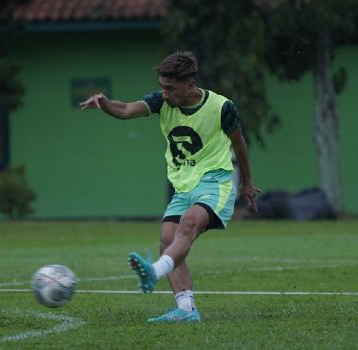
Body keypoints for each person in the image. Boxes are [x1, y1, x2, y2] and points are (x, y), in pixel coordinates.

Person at [80, 51, 260, 322]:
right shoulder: (161, 102)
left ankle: (153, 272)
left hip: (215, 182)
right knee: (167, 239)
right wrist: (104, 103)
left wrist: (246, 181)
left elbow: (239, 142)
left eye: (170, 88)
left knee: (188, 224)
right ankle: (186, 310)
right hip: (183, 186)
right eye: (163, 87)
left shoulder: (222, 107)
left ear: (190, 85)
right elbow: (127, 110)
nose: (164, 94)